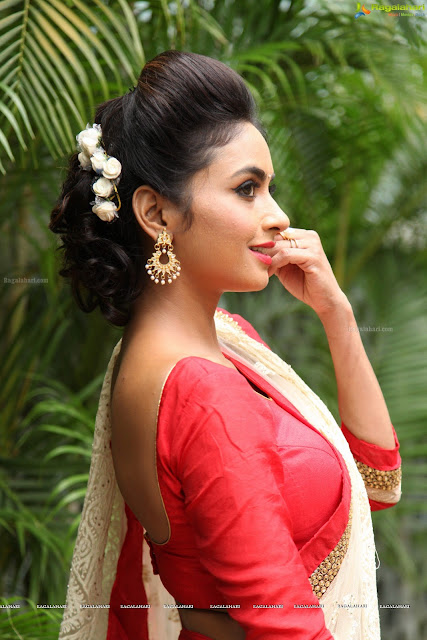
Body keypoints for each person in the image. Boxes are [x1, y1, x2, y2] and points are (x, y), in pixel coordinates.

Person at [49, 50, 402, 640]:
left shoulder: (203, 348)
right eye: (247, 189)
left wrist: (336, 316)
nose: (279, 216)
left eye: (269, 189)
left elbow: (375, 483)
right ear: (156, 213)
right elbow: (286, 628)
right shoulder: (204, 391)